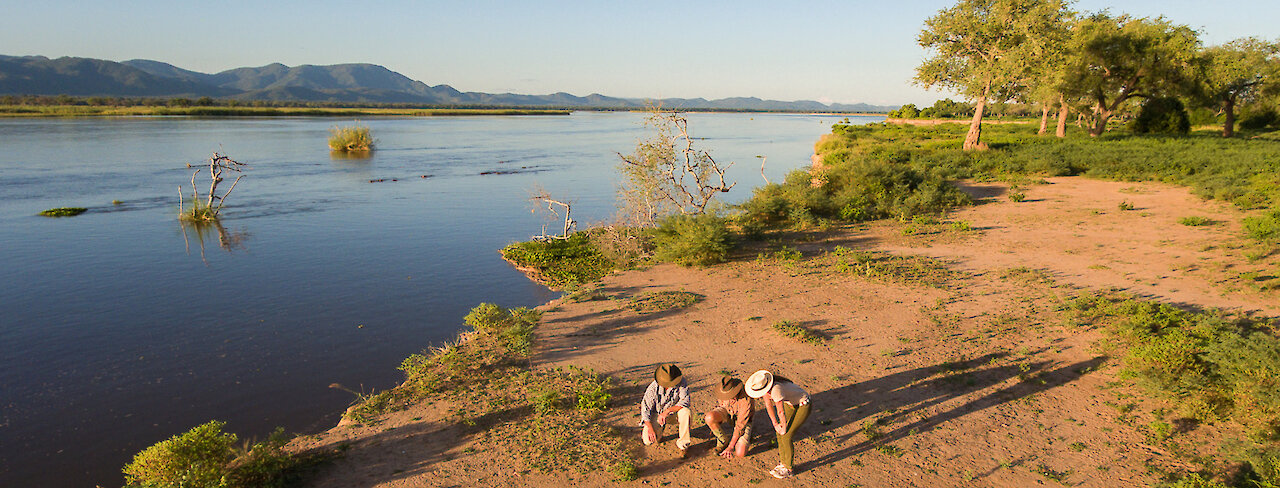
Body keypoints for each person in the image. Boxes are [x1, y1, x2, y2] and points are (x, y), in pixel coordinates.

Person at [746, 370, 811, 479]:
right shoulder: (766, 390)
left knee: (786, 436)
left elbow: (780, 412)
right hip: (790, 404)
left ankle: (789, 469)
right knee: (779, 433)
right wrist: (776, 424)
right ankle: (783, 463)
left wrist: (783, 427)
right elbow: (768, 406)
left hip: (803, 404)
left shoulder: (776, 389)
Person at [639, 363, 692, 457]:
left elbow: (685, 401)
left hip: (674, 413)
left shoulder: (681, 382)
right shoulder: (653, 388)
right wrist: (650, 428)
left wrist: (667, 411)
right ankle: (659, 433)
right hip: (657, 414)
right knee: (647, 440)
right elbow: (645, 409)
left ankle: (683, 446)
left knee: (685, 412)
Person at [704, 375, 754, 459]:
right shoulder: (722, 391)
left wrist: (730, 447)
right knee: (710, 418)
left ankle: (747, 434)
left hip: (743, 420)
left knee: (740, 453)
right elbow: (721, 404)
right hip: (728, 411)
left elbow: (740, 425)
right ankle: (723, 441)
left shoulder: (745, 400)